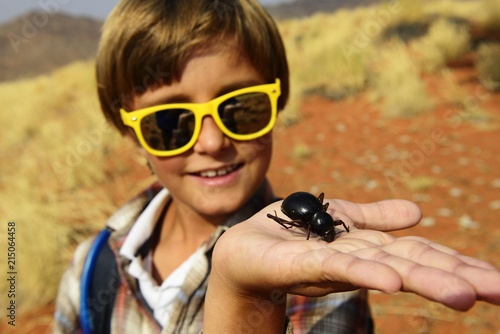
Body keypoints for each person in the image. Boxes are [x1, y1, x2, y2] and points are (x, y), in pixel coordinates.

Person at [53, 0, 500, 333]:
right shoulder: (90, 269)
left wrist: (247, 297)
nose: (213, 142)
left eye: (241, 108)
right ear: (130, 133)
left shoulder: (321, 287)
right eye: (169, 123)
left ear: (279, 102)